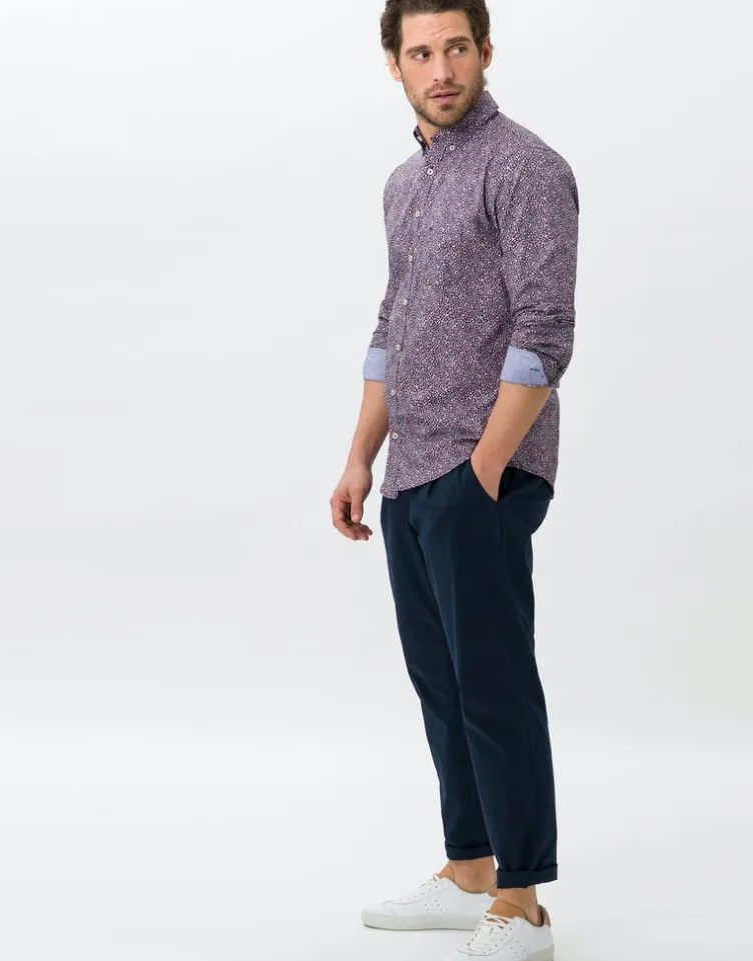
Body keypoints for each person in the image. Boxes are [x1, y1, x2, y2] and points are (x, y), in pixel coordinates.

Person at [329, 2, 579, 959]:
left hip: (483, 469)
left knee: (494, 684)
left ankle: (523, 901)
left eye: (457, 49)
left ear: (485, 52)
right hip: (409, 471)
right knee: (440, 681)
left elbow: (545, 328)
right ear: (394, 66)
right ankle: (470, 867)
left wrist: (485, 467)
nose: (442, 70)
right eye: (422, 53)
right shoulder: (404, 184)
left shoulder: (525, 167)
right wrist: (361, 455)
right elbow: (390, 323)